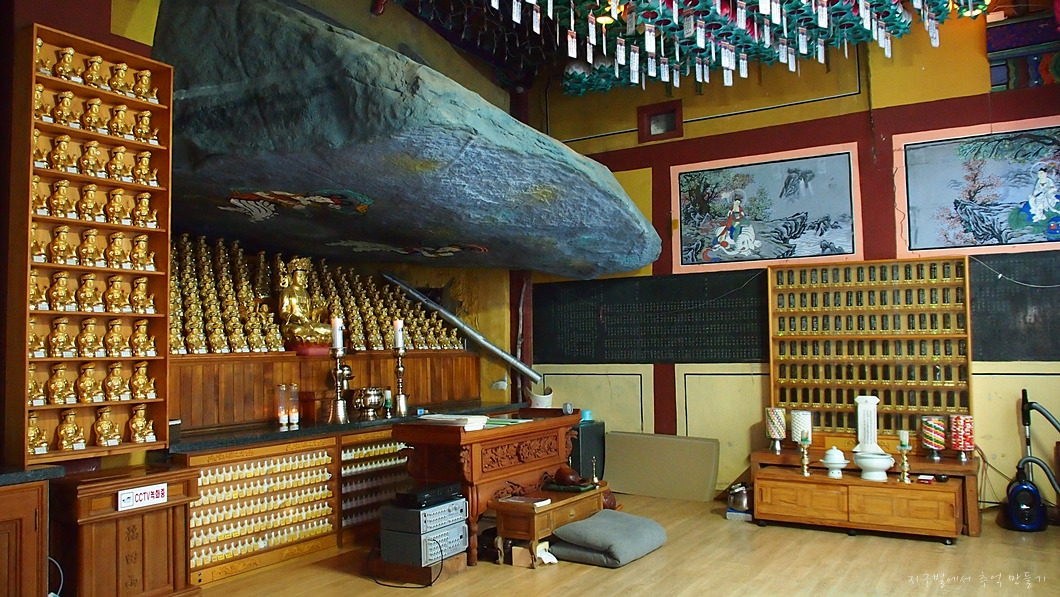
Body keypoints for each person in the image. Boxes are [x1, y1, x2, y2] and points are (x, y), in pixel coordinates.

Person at [277, 258, 332, 345]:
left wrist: (320, 310)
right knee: (298, 330)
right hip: (293, 324)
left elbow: (309, 313)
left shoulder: (305, 293)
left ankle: (312, 338)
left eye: (304, 276)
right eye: (299, 276)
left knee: (330, 329)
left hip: (307, 323)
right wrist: (296, 318)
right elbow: (283, 312)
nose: (302, 278)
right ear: (291, 277)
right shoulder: (287, 292)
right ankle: (313, 338)